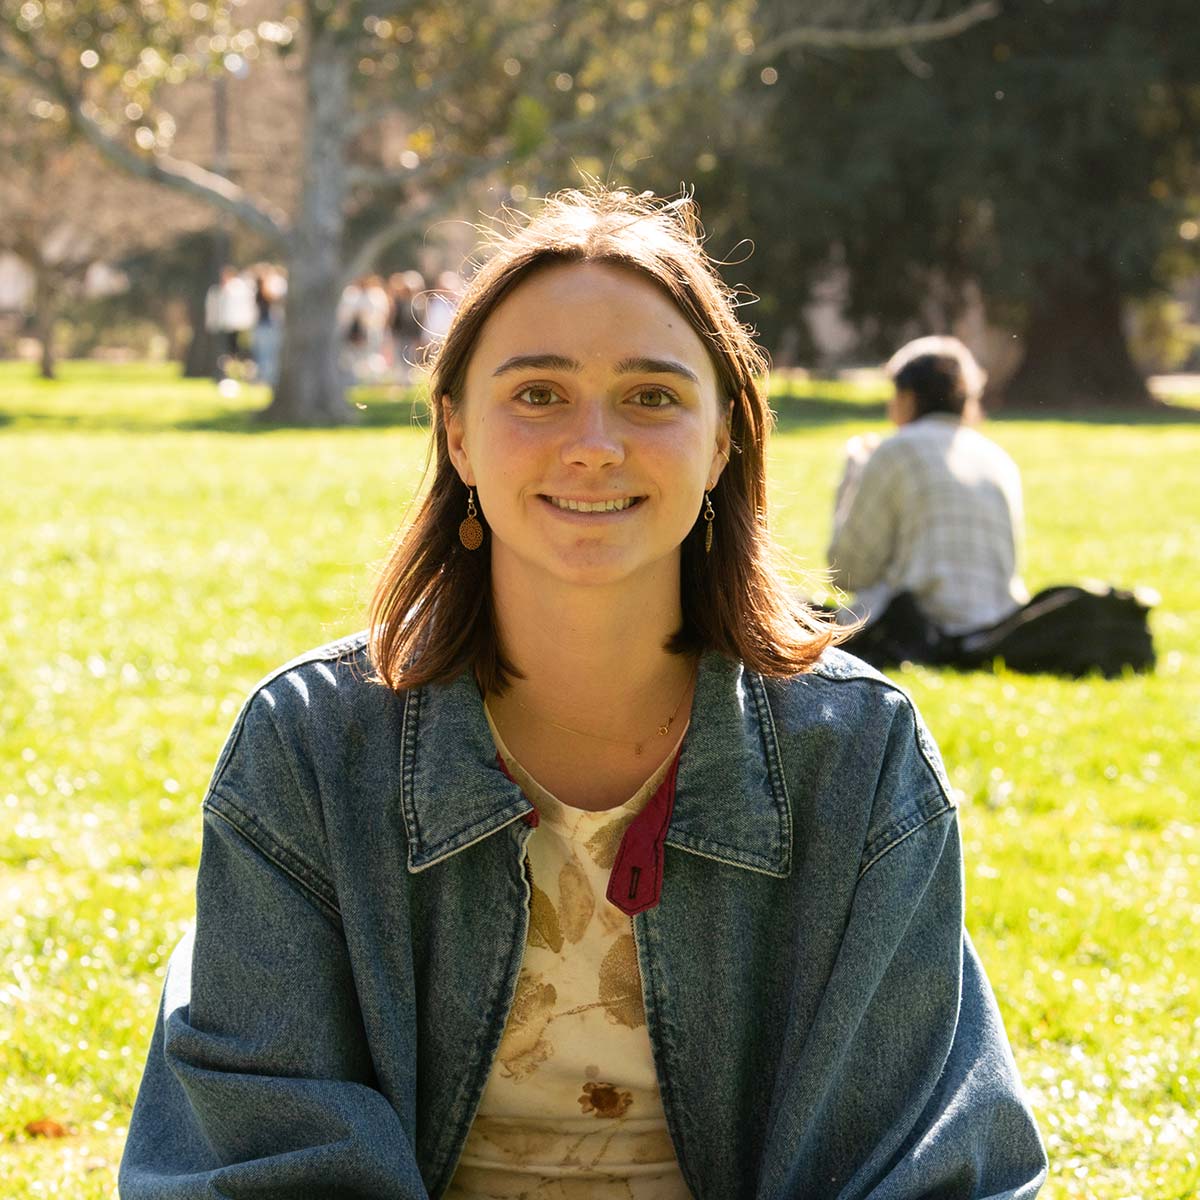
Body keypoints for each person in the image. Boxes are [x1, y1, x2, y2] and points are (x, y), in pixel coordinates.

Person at [119, 191, 1046, 1198]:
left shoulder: (858, 751)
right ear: (458, 435)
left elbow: (919, 1156)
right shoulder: (308, 744)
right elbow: (265, 1146)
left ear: (723, 437)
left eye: (652, 396)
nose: (595, 444)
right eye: (538, 394)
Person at [828, 335, 1030, 638]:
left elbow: (846, 571)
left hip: (918, 627)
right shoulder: (999, 458)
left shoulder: (894, 452)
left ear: (908, 397)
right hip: (994, 624)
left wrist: (856, 473)